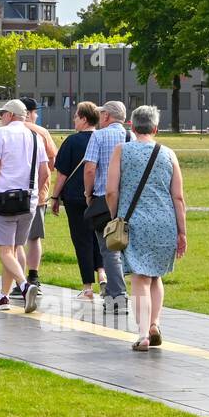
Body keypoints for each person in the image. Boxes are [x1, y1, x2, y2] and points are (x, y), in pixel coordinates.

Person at [105, 105, 187, 351]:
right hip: (165, 222)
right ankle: (155, 323)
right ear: (155, 128)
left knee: (140, 277)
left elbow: (111, 191)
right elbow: (178, 197)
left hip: (135, 223)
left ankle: (142, 334)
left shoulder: (122, 151)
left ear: (131, 125)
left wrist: (115, 217)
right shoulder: (168, 154)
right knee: (155, 276)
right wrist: (182, 231)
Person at [0, 99, 48, 313]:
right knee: (12, 249)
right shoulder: (35, 136)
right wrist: (37, 193)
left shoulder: (0, 134)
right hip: (28, 200)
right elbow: (45, 172)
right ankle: (3, 296)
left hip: (4, 198)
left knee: (4, 250)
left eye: (2, 113)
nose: (1, 117)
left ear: (10, 115)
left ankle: (24, 285)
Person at [50, 101, 105, 299]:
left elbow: (62, 175)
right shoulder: (103, 138)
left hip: (75, 198)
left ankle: (87, 287)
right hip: (99, 196)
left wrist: (54, 197)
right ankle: (103, 274)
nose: (74, 120)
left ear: (83, 118)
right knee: (99, 238)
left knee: (81, 240)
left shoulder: (72, 142)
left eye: (75, 116)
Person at [82, 100, 131, 310]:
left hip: (104, 197)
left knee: (108, 248)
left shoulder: (99, 136)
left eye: (102, 114)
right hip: (129, 200)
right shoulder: (131, 136)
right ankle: (118, 292)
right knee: (126, 248)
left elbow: (90, 168)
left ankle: (118, 295)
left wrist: (88, 193)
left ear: (106, 117)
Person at [16, 96, 57, 287]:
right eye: (35, 111)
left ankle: (18, 279)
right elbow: (51, 161)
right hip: (37, 193)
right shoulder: (41, 132)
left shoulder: (4, 132)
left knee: (14, 241)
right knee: (34, 237)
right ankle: (33, 276)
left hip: (10, 193)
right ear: (30, 113)